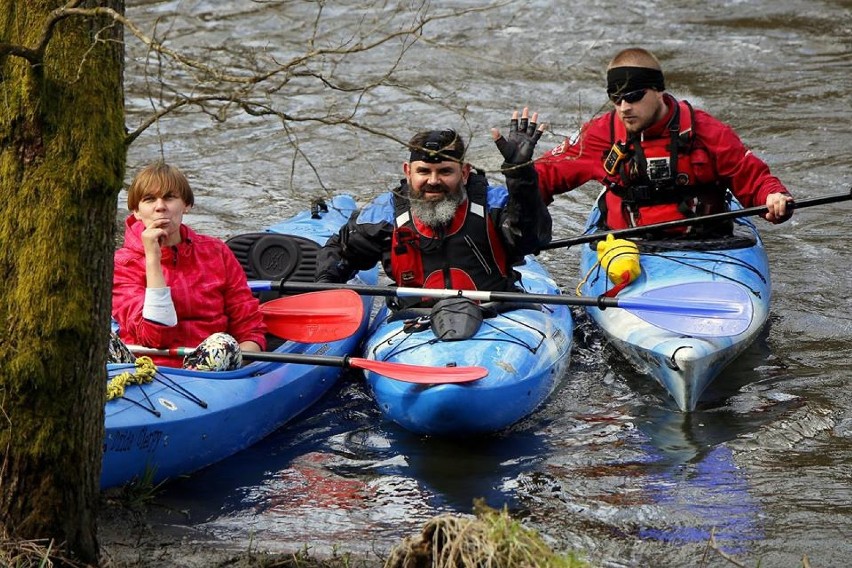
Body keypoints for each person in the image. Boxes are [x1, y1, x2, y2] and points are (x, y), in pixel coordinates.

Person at [535, 47, 794, 234]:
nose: (624, 107)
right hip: (628, 248)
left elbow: (752, 177)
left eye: (634, 96)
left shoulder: (707, 131)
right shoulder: (600, 133)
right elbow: (548, 174)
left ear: (659, 91)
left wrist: (773, 198)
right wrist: (519, 173)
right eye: (616, 98)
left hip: (706, 245)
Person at [315, 112, 552, 308]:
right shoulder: (386, 213)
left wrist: (520, 173)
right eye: (424, 171)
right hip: (415, 320)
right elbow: (342, 251)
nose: (433, 180)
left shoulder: (494, 204)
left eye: (445, 171)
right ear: (408, 172)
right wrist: (325, 286)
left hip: (493, 313)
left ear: (465, 173)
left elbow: (533, 239)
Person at [111, 162, 266, 370]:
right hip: (143, 370)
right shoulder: (121, 264)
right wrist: (153, 259)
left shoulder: (216, 251)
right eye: (149, 200)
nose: (160, 206)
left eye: (169, 197)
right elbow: (157, 337)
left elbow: (249, 327)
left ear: (186, 205)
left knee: (224, 344)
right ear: (136, 211)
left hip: (208, 371)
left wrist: (241, 362)